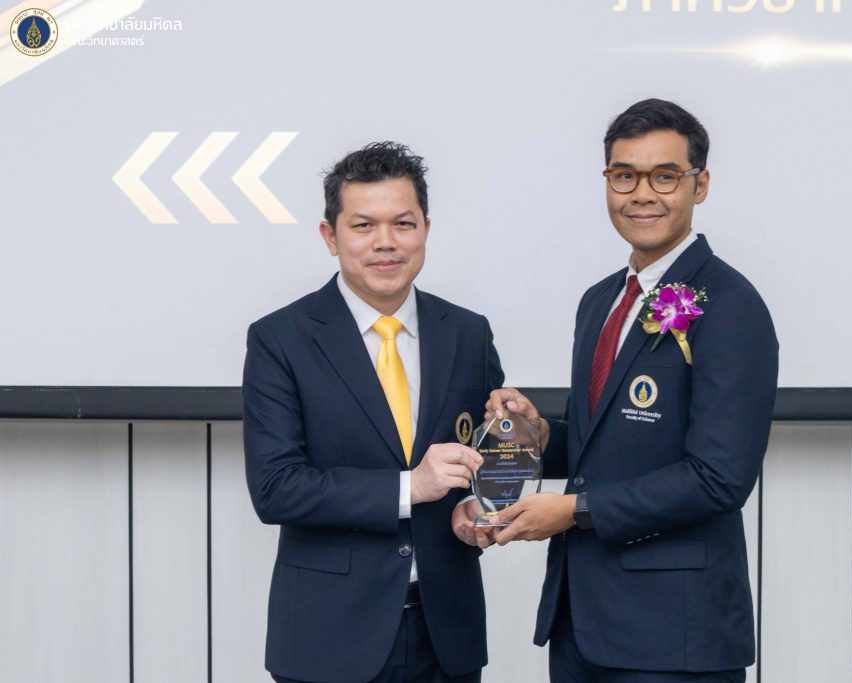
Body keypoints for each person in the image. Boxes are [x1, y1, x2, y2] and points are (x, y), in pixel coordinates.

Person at [474, 99, 778, 682]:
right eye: (624, 176)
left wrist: (573, 511)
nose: (641, 194)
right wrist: (540, 435)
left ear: (700, 185)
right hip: (582, 624)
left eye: (665, 176)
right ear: (607, 182)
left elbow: (719, 478)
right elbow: (602, 448)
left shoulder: (731, 306)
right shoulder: (601, 301)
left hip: (674, 636)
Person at [243, 142, 502, 683]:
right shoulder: (280, 339)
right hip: (329, 638)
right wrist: (412, 487)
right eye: (363, 226)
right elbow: (275, 488)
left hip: (446, 635)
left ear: (425, 229)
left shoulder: (468, 333)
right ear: (330, 236)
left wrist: (478, 506)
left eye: (403, 223)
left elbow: (486, 456)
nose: (386, 242)